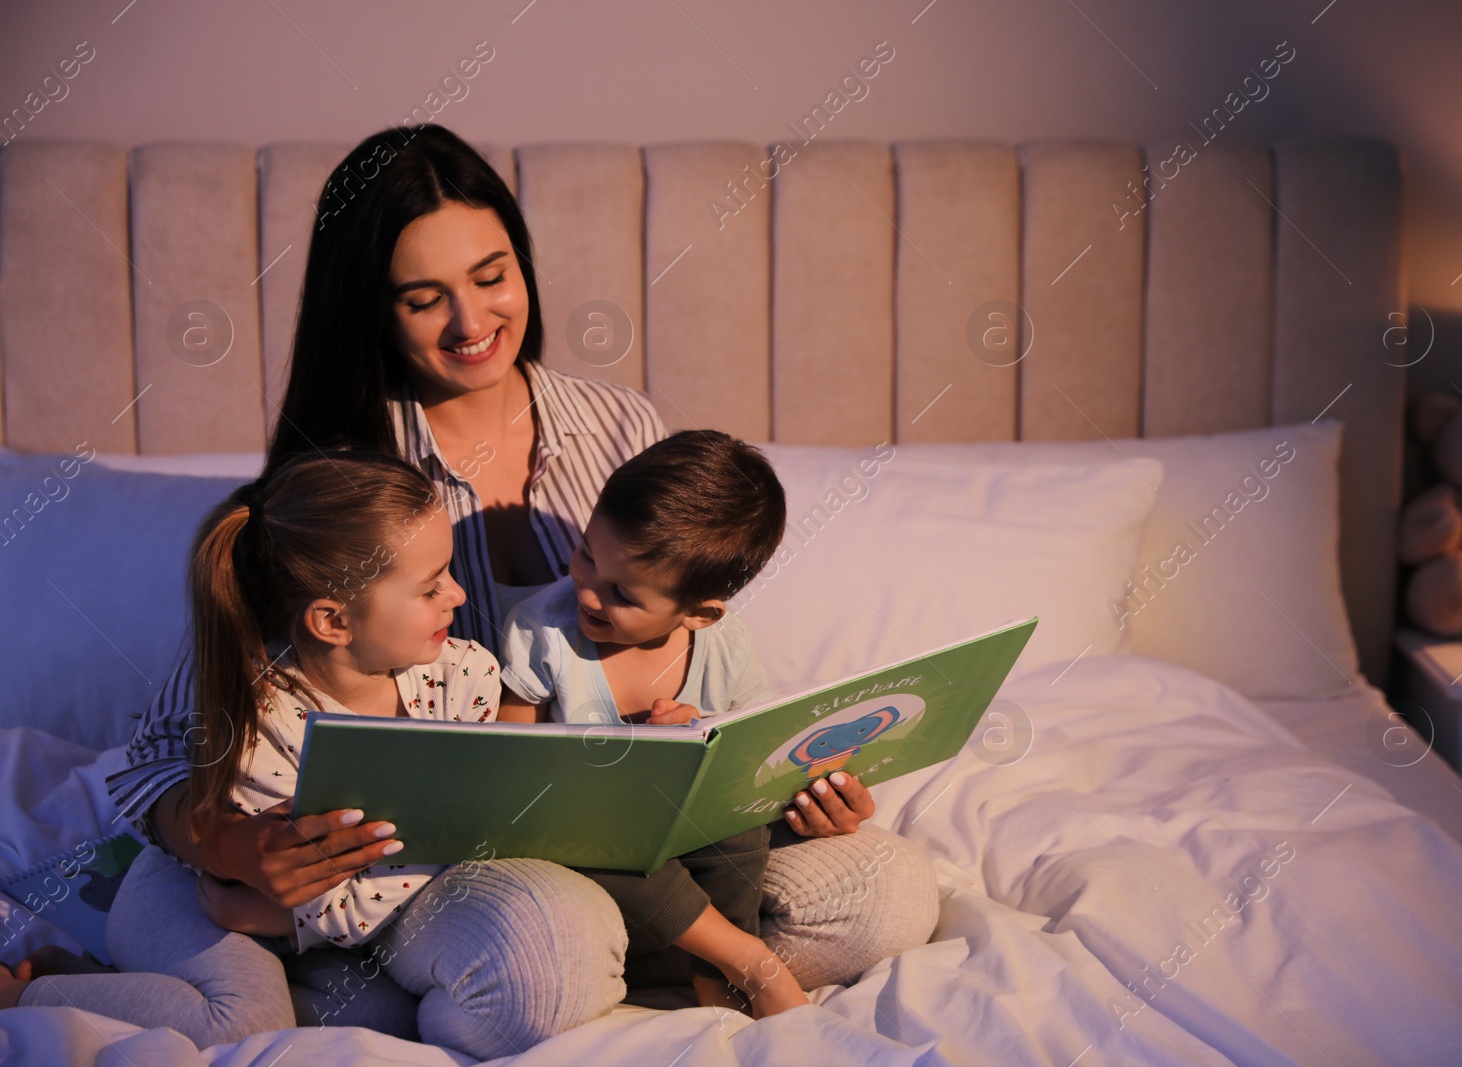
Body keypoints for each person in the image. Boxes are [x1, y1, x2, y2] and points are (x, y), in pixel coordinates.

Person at [99, 123, 937, 1027]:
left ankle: (547, 969)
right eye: (424, 299)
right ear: (371, 311)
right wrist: (230, 840)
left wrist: (788, 790)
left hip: (632, 835)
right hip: (459, 863)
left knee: (888, 892)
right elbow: (162, 754)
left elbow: (693, 655)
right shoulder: (340, 484)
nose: (472, 324)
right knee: (549, 944)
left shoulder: (618, 425)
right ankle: (502, 968)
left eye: (492, 278)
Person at [2, 454, 626, 1058]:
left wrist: (291, 926)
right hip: (199, 892)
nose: (459, 596)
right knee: (245, 1020)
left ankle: (98, 980)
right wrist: (242, 866)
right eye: (432, 585)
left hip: (321, 921)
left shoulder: (465, 682)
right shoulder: (258, 711)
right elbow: (148, 773)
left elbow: (455, 847)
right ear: (332, 621)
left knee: (377, 1020)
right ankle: (31, 993)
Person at [498, 429, 808, 1016]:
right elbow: (516, 770)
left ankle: (711, 978)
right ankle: (742, 959)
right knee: (593, 835)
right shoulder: (539, 631)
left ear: (699, 614)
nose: (588, 592)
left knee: (737, 829)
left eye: (623, 594)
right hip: (587, 848)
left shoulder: (725, 645)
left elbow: (752, 763)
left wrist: (701, 736)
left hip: (681, 848)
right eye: (587, 553)